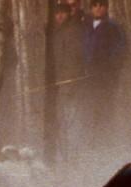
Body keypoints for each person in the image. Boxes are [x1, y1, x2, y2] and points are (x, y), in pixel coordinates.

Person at [84, 0, 125, 142]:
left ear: (106, 8)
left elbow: (120, 50)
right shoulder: (88, 27)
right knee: (91, 110)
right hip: (90, 77)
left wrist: (109, 68)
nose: (98, 8)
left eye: (101, 5)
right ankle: (95, 141)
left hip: (106, 77)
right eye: (95, 5)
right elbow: (85, 50)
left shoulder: (112, 26)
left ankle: (107, 141)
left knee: (106, 110)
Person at [51, 3, 86, 159]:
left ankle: (75, 153)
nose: (59, 16)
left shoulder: (73, 30)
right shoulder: (56, 32)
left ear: (68, 14)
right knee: (63, 118)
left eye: (62, 13)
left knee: (73, 117)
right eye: (57, 13)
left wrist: (70, 80)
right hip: (59, 82)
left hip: (70, 82)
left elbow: (74, 58)